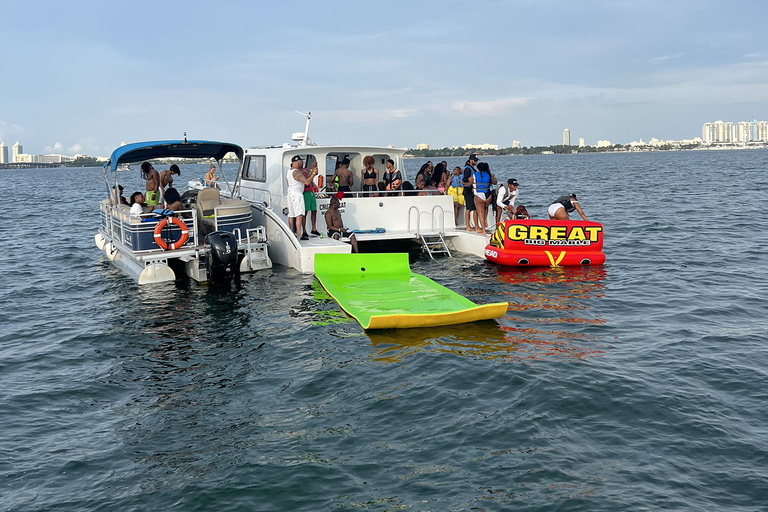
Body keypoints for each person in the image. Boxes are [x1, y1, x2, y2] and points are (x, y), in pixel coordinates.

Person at [287, 155, 316, 240]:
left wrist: (311, 171)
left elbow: (288, 182)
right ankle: (299, 235)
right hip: (297, 195)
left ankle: (291, 233)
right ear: (294, 162)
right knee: (299, 215)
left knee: (291, 215)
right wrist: (313, 174)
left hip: (290, 193)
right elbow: (307, 182)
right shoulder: (297, 172)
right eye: (300, 162)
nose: (301, 163)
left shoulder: (289, 171)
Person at [302, 160, 321, 236]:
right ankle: (304, 230)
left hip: (311, 191)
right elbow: (306, 179)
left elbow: (312, 176)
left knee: (314, 211)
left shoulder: (306, 170)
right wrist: (312, 170)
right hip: (305, 192)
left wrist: (314, 169)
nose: (302, 163)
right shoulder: (299, 172)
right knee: (305, 212)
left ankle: (314, 228)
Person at [473, 162, 492, 233]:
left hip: (479, 194)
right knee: (486, 208)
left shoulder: (475, 175)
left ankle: (483, 230)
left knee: (480, 212)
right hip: (488, 194)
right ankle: (485, 219)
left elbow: (468, 182)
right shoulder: (489, 175)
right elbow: (494, 182)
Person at [462, 154, 478, 231]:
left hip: (473, 191)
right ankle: (468, 226)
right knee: (469, 209)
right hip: (468, 191)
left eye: (477, 160)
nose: (476, 162)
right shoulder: (467, 169)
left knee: (474, 209)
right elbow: (464, 179)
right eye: (475, 160)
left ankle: (475, 225)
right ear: (471, 160)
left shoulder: (472, 168)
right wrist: (470, 180)